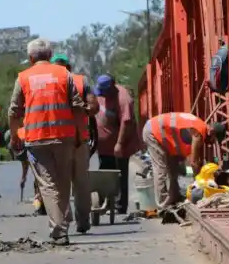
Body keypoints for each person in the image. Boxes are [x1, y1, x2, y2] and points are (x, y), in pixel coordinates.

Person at [8, 38, 86, 245]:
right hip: (64, 137)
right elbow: (78, 106)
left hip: (36, 139)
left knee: (48, 185)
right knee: (62, 181)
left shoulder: (23, 78)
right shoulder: (64, 74)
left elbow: (14, 111)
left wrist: (15, 135)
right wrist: (80, 134)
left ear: (30, 57)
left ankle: (59, 230)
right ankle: (61, 222)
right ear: (50, 56)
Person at [50, 53, 99, 233]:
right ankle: (78, 221)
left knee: (63, 185)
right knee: (79, 183)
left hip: (62, 142)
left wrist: (82, 109)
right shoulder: (80, 82)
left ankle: (70, 221)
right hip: (74, 141)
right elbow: (94, 108)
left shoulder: (48, 84)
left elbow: (93, 108)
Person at [142, 112, 227, 209]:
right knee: (161, 168)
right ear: (211, 132)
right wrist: (198, 183)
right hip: (153, 131)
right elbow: (194, 162)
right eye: (214, 140)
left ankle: (174, 197)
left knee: (173, 166)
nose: (211, 143)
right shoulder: (198, 132)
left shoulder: (200, 126)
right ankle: (163, 204)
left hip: (159, 131)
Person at [94, 73, 137, 213]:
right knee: (104, 173)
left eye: (104, 92)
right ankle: (102, 203)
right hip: (104, 147)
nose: (102, 95)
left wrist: (119, 144)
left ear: (112, 87)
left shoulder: (124, 99)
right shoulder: (101, 93)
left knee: (119, 174)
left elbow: (126, 123)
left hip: (120, 145)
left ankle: (119, 205)